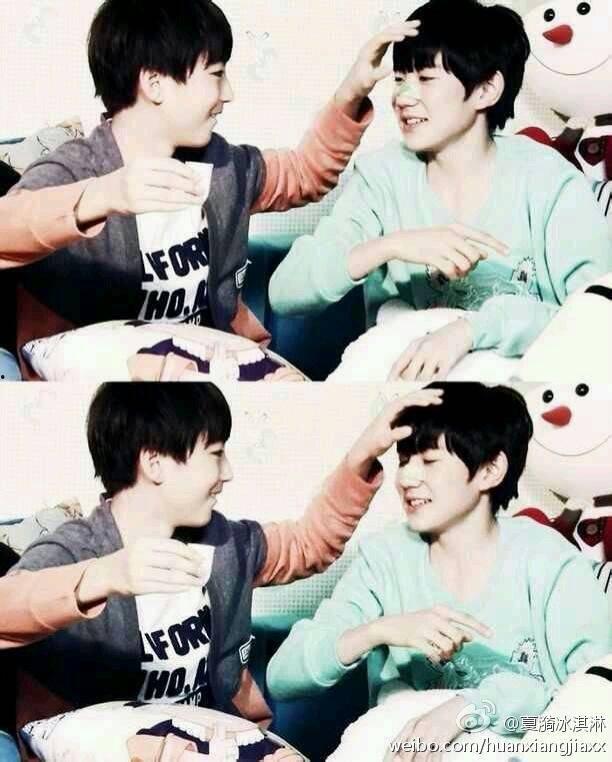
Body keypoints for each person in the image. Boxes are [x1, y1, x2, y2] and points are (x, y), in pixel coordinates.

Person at [2, 0, 420, 378]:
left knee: (294, 390)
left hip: (210, 378)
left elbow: (304, 174)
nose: (228, 94)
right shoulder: (76, 168)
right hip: (108, 393)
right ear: (154, 83)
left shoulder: (224, 168)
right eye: (217, 75)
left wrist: (352, 92)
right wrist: (101, 196)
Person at [7, 383, 443, 734]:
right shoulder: (77, 550)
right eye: (216, 454)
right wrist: (102, 577)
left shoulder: (226, 543)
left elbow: (308, 545)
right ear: (154, 463)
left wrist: (362, 455)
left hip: (220, 740)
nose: (228, 472)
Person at [268, 0, 612, 382]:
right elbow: (285, 292)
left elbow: (595, 316)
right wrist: (390, 246)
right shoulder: (381, 177)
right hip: (409, 395)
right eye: (400, 78)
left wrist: (472, 331)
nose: (403, 97)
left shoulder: (548, 179)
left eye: (426, 78)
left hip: (516, 395)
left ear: (486, 90)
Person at [266, 383, 611, 761]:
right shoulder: (385, 559)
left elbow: (593, 703)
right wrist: (378, 630)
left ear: (490, 470)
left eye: (429, 461)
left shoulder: (550, 561)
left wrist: (469, 708)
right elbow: (282, 676)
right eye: (404, 460)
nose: (406, 479)